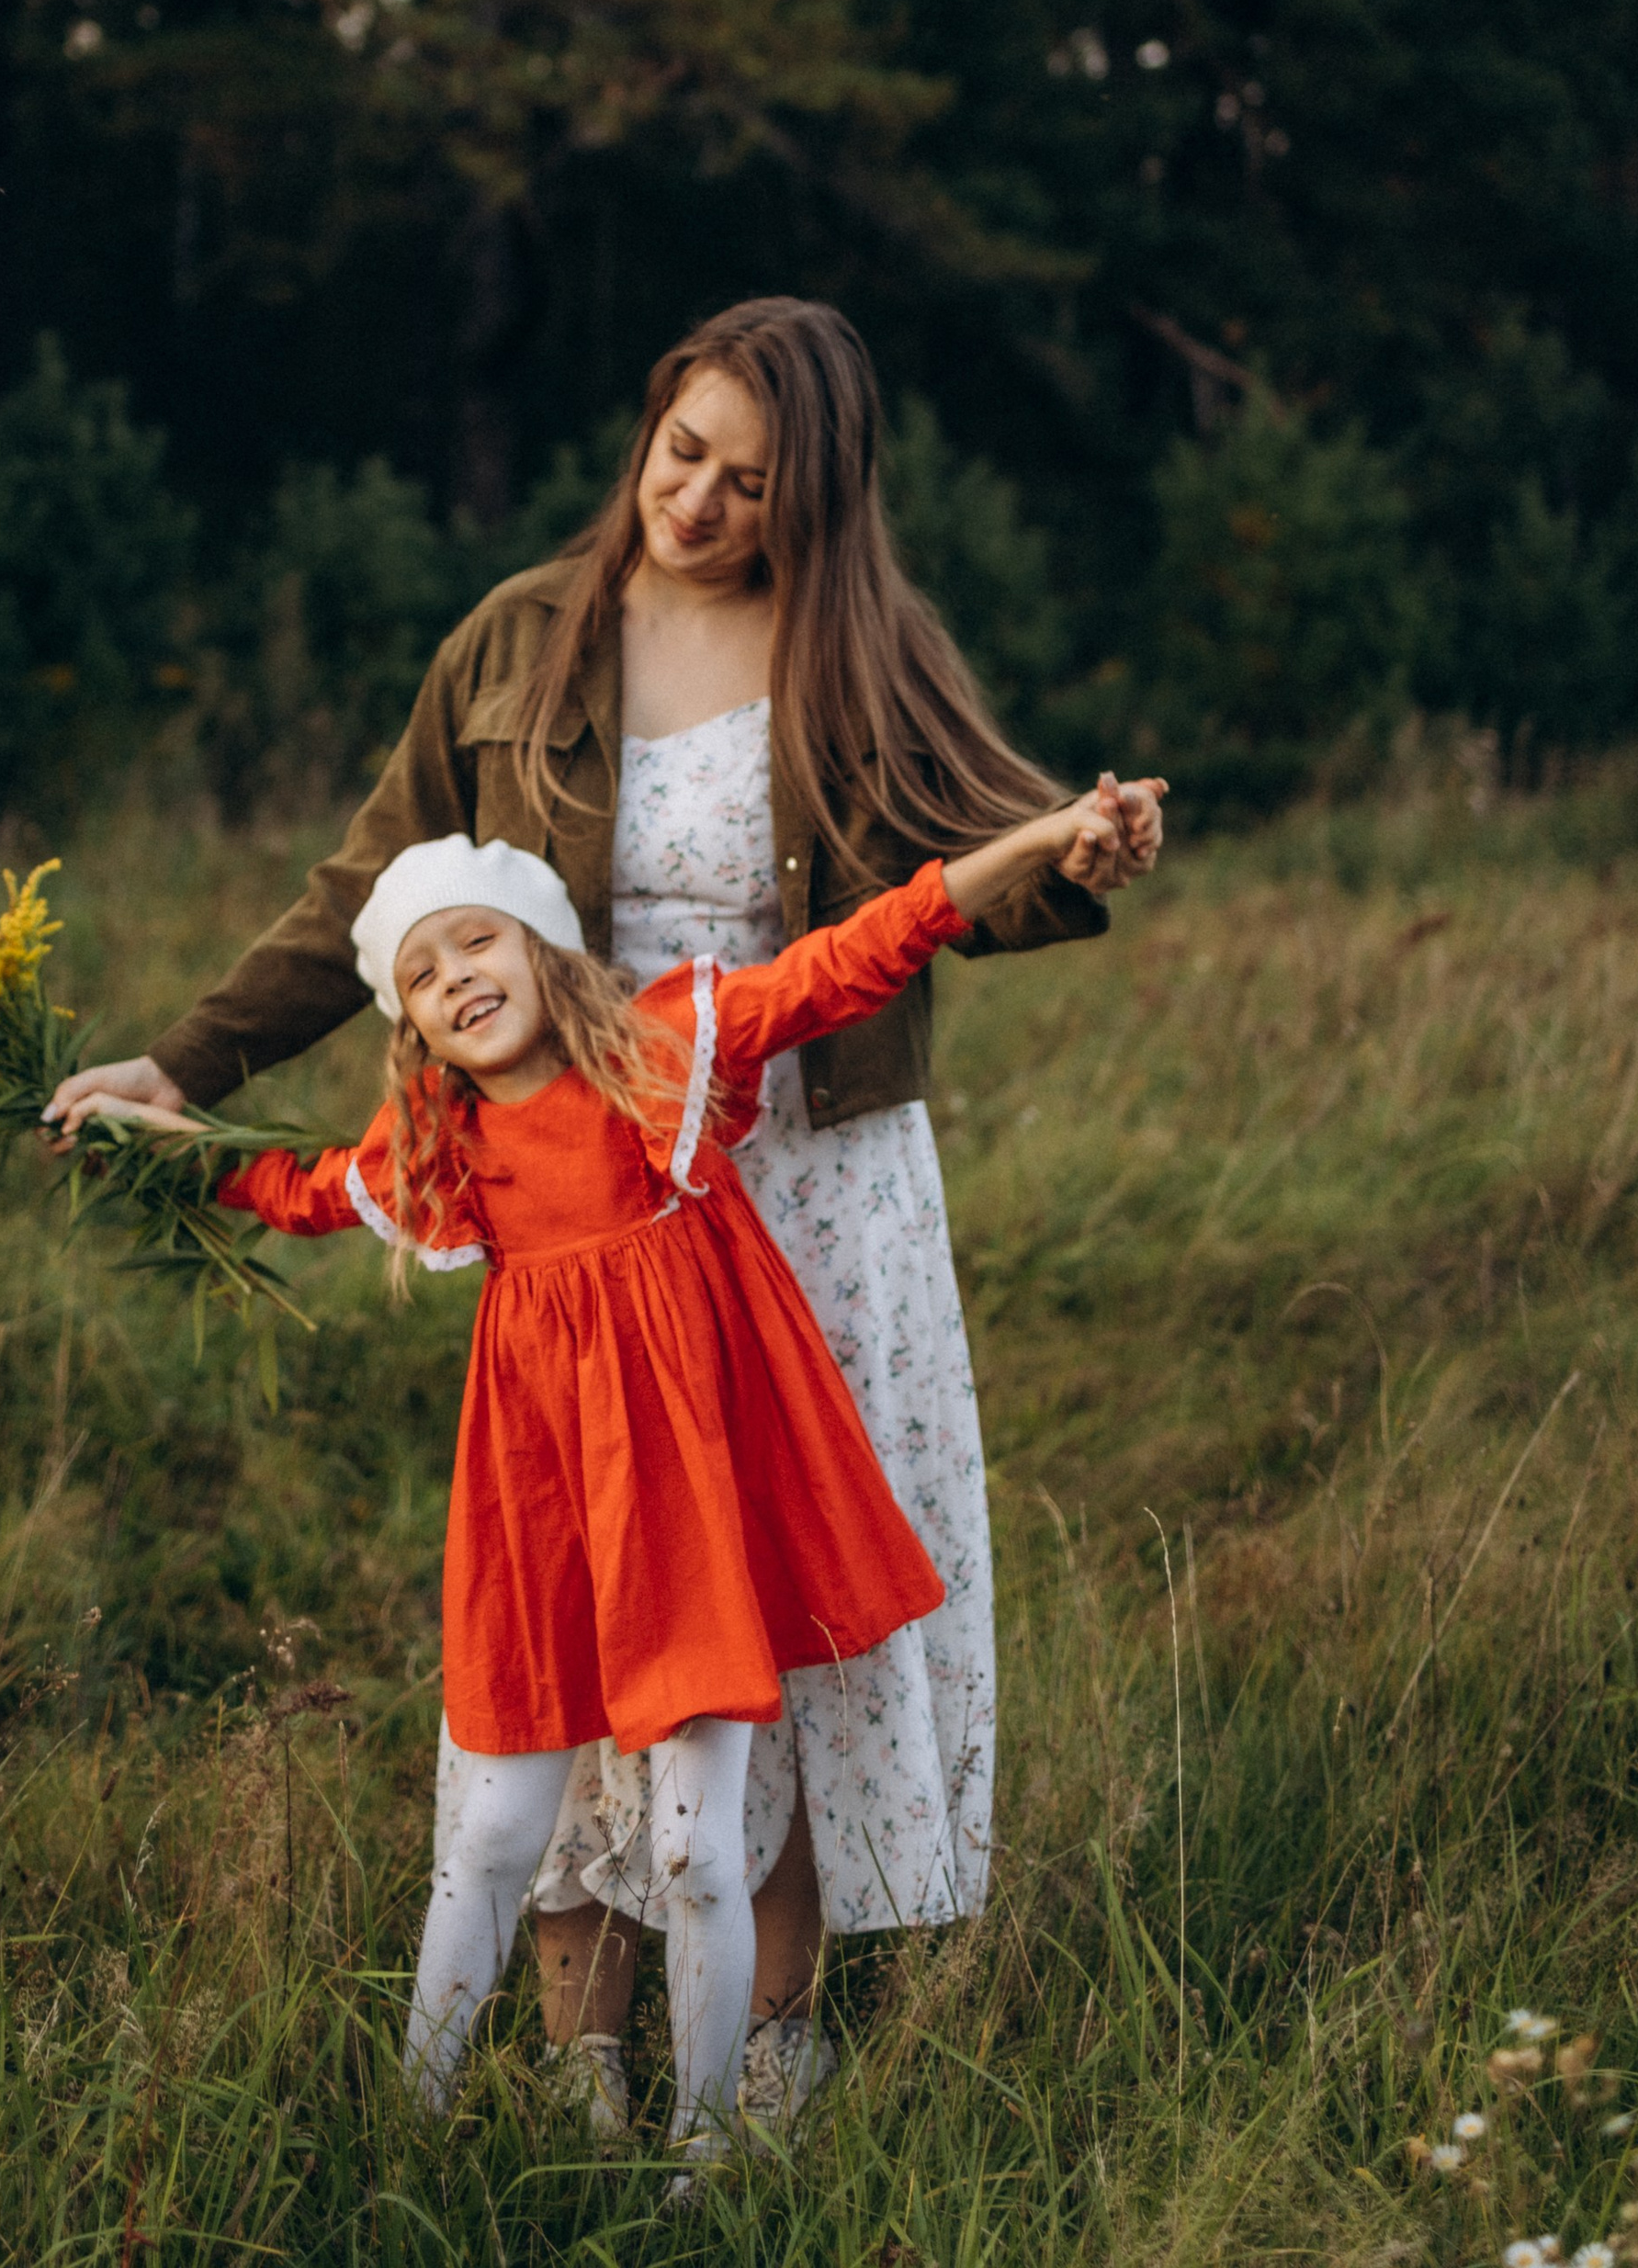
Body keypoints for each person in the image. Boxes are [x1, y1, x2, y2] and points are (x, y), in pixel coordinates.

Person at [45, 296, 1164, 2131]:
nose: (701, 506)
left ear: (814, 502)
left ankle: (777, 2039)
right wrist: (185, 1070)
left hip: (804, 1174)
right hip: (581, 1186)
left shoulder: (859, 647)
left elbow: (981, 854)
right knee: (584, 1580)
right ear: (646, 431)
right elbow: (362, 897)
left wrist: (1079, 851)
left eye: (749, 486)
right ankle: (579, 2055)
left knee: (778, 1613)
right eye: (683, 458)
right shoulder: (510, 641)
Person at [85, 797, 1139, 2154]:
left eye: (479, 944)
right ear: (406, 1020)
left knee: (703, 1852)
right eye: (423, 969)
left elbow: (865, 949)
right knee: (486, 1841)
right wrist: (127, 1129)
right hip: (544, 1527)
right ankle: (413, 2136)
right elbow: (285, 1183)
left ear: (542, 952)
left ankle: (703, 2160)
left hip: (689, 1518)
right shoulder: (443, 1152)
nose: (457, 976)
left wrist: (1040, 839)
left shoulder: (661, 1058)